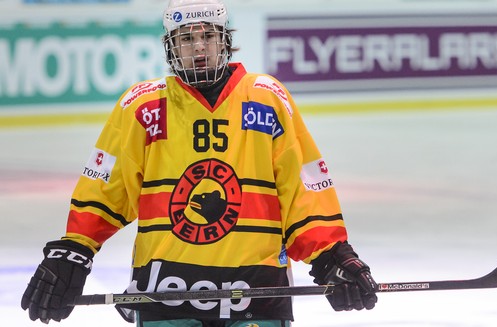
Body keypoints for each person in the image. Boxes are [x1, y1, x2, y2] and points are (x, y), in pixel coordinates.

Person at [21, 0, 378, 325]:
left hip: (257, 293)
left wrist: (331, 254)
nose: (198, 47)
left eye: (207, 35)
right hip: (164, 293)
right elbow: (105, 189)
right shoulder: (143, 107)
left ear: (225, 40)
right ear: (170, 47)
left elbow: (302, 189)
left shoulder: (267, 98)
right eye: (185, 39)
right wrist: (74, 250)